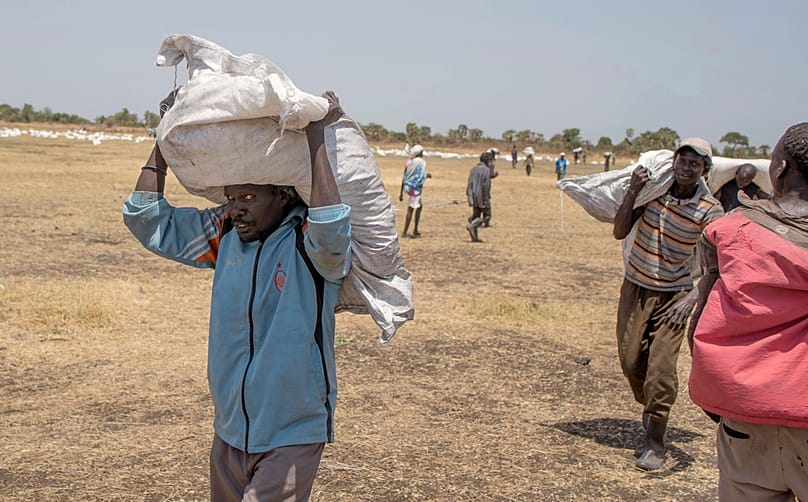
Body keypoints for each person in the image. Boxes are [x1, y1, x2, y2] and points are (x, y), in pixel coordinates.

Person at [123, 91, 352, 500]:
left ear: (282, 195)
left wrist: (316, 132)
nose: (236, 209)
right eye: (230, 198)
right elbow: (145, 218)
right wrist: (165, 134)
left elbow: (332, 224)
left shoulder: (308, 245)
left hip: (292, 433)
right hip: (229, 430)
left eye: (248, 197)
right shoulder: (224, 234)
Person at [688, 123, 808, 500]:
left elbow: (701, 321)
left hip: (745, 417)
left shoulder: (731, 231)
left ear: (779, 169)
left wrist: (725, 400)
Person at [612, 137, 724, 471]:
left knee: (660, 369)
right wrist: (633, 191)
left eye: (694, 164)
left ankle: (655, 440)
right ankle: (651, 406)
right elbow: (619, 231)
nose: (686, 168)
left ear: (704, 170)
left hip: (675, 297)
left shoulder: (710, 210)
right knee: (630, 360)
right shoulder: (653, 193)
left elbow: (716, 266)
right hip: (635, 287)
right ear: (674, 162)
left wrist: (691, 299)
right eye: (682, 161)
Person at [398, 144, 427, 238]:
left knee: (419, 207)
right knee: (411, 209)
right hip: (416, 189)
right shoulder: (421, 162)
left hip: (408, 188)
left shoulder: (409, 162)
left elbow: (404, 177)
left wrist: (401, 193)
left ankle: (415, 229)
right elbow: (421, 176)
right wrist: (426, 176)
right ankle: (406, 232)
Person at [466, 151, 493, 242]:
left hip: (474, 196)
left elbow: (469, 184)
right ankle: (472, 225)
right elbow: (486, 186)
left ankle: (475, 238)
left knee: (476, 215)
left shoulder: (473, 169)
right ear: (488, 161)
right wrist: (486, 199)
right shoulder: (486, 170)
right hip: (482, 197)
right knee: (487, 216)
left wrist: (470, 197)